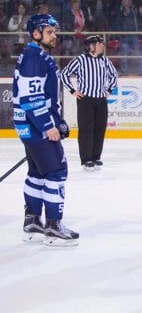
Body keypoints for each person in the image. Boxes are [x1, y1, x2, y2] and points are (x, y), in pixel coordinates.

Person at [13, 14, 79, 246]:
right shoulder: (34, 57)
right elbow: (32, 97)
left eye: (54, 31)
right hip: (36, 127)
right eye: (49, 32)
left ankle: (32, 220)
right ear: (36, 33)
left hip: (29, 126)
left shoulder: (35, 55)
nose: (54, 35)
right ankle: (53, 225)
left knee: (38, 172)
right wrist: (48, 125)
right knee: (57, 171)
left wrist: (56, 119)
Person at [60, 35, 118, 170]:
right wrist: (73, 90)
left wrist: (109, 89)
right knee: (86, 129)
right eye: (99, 43)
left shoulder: (105, 60)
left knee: (99, 128)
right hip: (85, 99)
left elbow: (114, 75)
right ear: (90, 46)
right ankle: (86, 159)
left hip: (101, 100)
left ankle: (96, 156)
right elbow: (64, 74)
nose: (102, 46)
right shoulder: (80, 60)